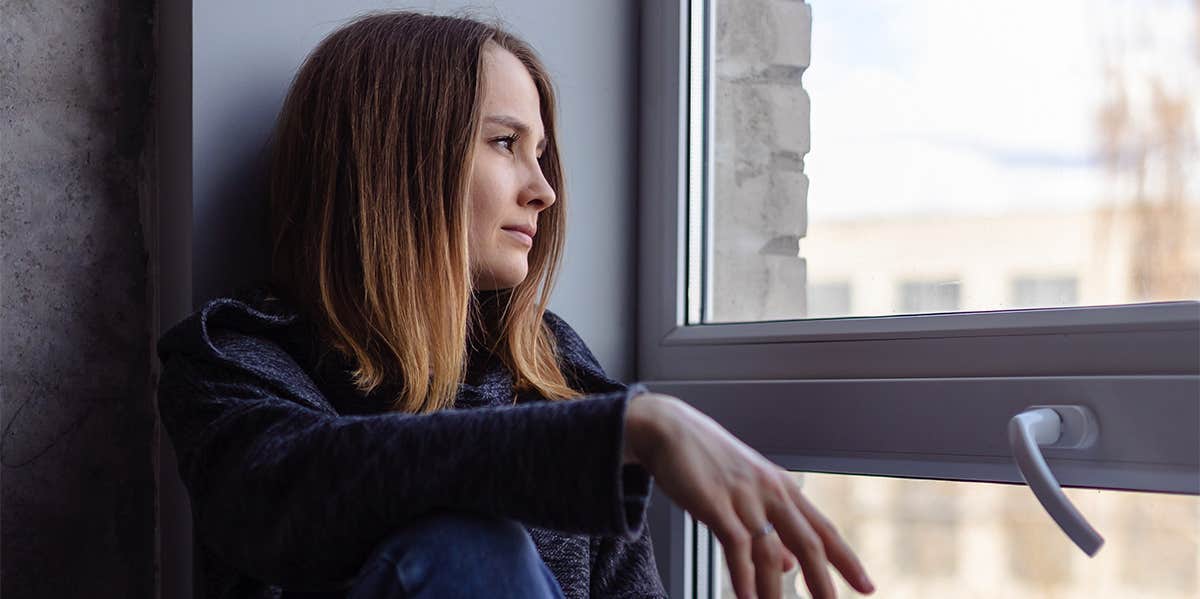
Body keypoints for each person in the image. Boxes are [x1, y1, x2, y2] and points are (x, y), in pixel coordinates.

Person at [155, 10, 875, 599]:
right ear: (398, 161)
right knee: (465, 547)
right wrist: (632, 429)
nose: (544, 190)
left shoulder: (552, 368)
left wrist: (612, 427)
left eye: (542, 154)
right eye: (506, 143)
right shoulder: (234, 358)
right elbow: (285, 496)